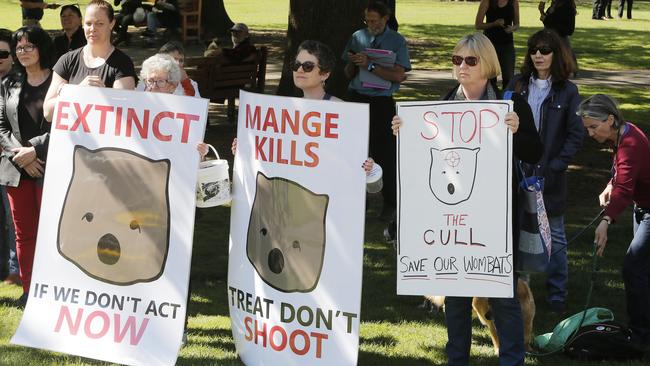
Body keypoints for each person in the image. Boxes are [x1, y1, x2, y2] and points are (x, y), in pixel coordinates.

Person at [392, 33, 542, 365]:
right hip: (452, 221)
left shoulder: (511, 103)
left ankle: (512, 359)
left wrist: (517, 130)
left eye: (470, 60)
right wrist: (404, 132)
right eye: (456, 59)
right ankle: (456, 358)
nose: (462, 66)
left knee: (504, 297)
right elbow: (422, 160)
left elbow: (535, 151)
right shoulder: (442, 105)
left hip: (496, 219)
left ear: (487, 65)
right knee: (456, 298)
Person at [507, 29, 583, 313]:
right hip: (518, 170)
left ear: (556, 54)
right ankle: (519, 293)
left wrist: (556, 164)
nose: (538, 55)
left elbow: (575, 135)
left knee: (556, 236)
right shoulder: (517, 85)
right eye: (533, 49)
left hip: (549, 176)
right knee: (516, 233)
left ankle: (556, 296)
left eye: (545, 50)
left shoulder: (568, 91)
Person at [232, 40, 374, 173]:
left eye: (307, 66)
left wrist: (368, 169)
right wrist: (246, 150)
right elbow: (276, 157)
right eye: (296, 64)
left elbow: (360, 171)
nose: (299, 70)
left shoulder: (342, 111)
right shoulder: (283, 112)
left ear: (325, 74)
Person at [579, 94, 650, 351]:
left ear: (610, 119)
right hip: (642, 208)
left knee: (633, 267)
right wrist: (610, 183)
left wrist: (606, 220)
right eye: (587, 127)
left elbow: (625, 189)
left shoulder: (629, 142)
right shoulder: (621, 134)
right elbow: (623, 173)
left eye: (593, 127)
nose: (590, 133)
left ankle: (641, 337)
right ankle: (640, 329)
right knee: (640, 270)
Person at [342, 0, 410, 229]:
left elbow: (399, 76)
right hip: (357, 100)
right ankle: (357, 202)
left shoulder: (397, 41)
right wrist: (354, 63)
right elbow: (347, 72)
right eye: (367, 20)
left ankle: (390, 202)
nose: (370, 24)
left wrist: (370, 65)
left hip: (382, 103)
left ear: (385, 18)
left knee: (385, 153)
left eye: (374, 20)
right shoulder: (357, 37)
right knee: (355, 153)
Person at [0, 26, 55, 307]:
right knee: (25, 234)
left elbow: (67, 124)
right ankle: (29, 289)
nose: (22, 52)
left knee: (54, 233)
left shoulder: (58, 83)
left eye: (28, 46)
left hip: (52, 167)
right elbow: (1, 126)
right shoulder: (9, 83)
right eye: (18, 47)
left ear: (41, 47)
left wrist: (35, 150)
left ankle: (55, 290)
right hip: (16, 170)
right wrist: (20, 155)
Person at [43, 0, 137, 122]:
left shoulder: (122, 63)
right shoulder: (66, 60)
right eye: (88, 23)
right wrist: (78, 91)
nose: (92, 29)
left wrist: (67, 92)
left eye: (99, 23)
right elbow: (48, 113)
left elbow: (123, 114)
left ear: (112, 24)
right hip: (71, 138)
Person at [0, 29, 20, 287]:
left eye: (3, 53)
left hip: (11, 163)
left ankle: (15, 270)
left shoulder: (18, 84)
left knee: (12, 219)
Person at [475, 0, 519, 91]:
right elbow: (478, 25)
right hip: (489, 45)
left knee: (509, 77)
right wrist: (494, 24)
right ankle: (491, 99)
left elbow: (517, 24)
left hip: (507, 45)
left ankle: (507, 101)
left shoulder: (513, 2)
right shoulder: (487, 2)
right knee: (490, 77)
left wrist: (512, 28)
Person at [539, 0, 577, 70]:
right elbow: (549, 23)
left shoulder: (567, 7)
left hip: (560, 42)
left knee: (560, 68)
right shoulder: (554, 5)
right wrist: (541, 11)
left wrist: (546, 20)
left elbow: (569, 30)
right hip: (549, 40)